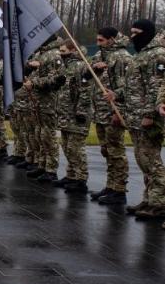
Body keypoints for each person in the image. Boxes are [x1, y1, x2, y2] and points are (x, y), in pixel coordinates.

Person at [120, 19, 165, 220]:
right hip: (135, 117)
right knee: (143, 161)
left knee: (152, 161)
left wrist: (149, 115)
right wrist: (117, 95)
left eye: (136, 32)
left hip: (147, 118)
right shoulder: (141, 54)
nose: (132, 36)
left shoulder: (157, 55)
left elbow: (157, 87)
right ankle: (149, 199)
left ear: (146, 33)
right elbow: (135, 86)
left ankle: (160, 203)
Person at [89, 28, 131, 205]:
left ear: (111, 39)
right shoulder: (101, 55)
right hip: (100, 111)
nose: (98, 44)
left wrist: (117, 111)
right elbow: (87, 74)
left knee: (116, 151)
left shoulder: (122, 57)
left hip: (112, 111)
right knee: (106, 150)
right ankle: (111, 185)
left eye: (101, 40)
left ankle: (119, 190)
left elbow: (127, 87)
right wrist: (94, 68)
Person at [53, 39, 92, 194]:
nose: (61, 54)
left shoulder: (82, 66)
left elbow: (86, 90)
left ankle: (81, 179)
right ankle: (71, 175)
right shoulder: (65, 67)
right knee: (67, 146)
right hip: (65, 113)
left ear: (73, 50)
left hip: (76, 114)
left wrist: (81, 111)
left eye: (64, 51)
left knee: (75, 148)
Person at [23, 37, 64, 182]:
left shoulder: (54, 55)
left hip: (48, 102)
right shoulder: (40, 54)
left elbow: (57, 79)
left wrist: (34, 83)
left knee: (49, 136)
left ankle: (51, 169)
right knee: (40, 135)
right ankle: (42, 165)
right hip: (38, 102)